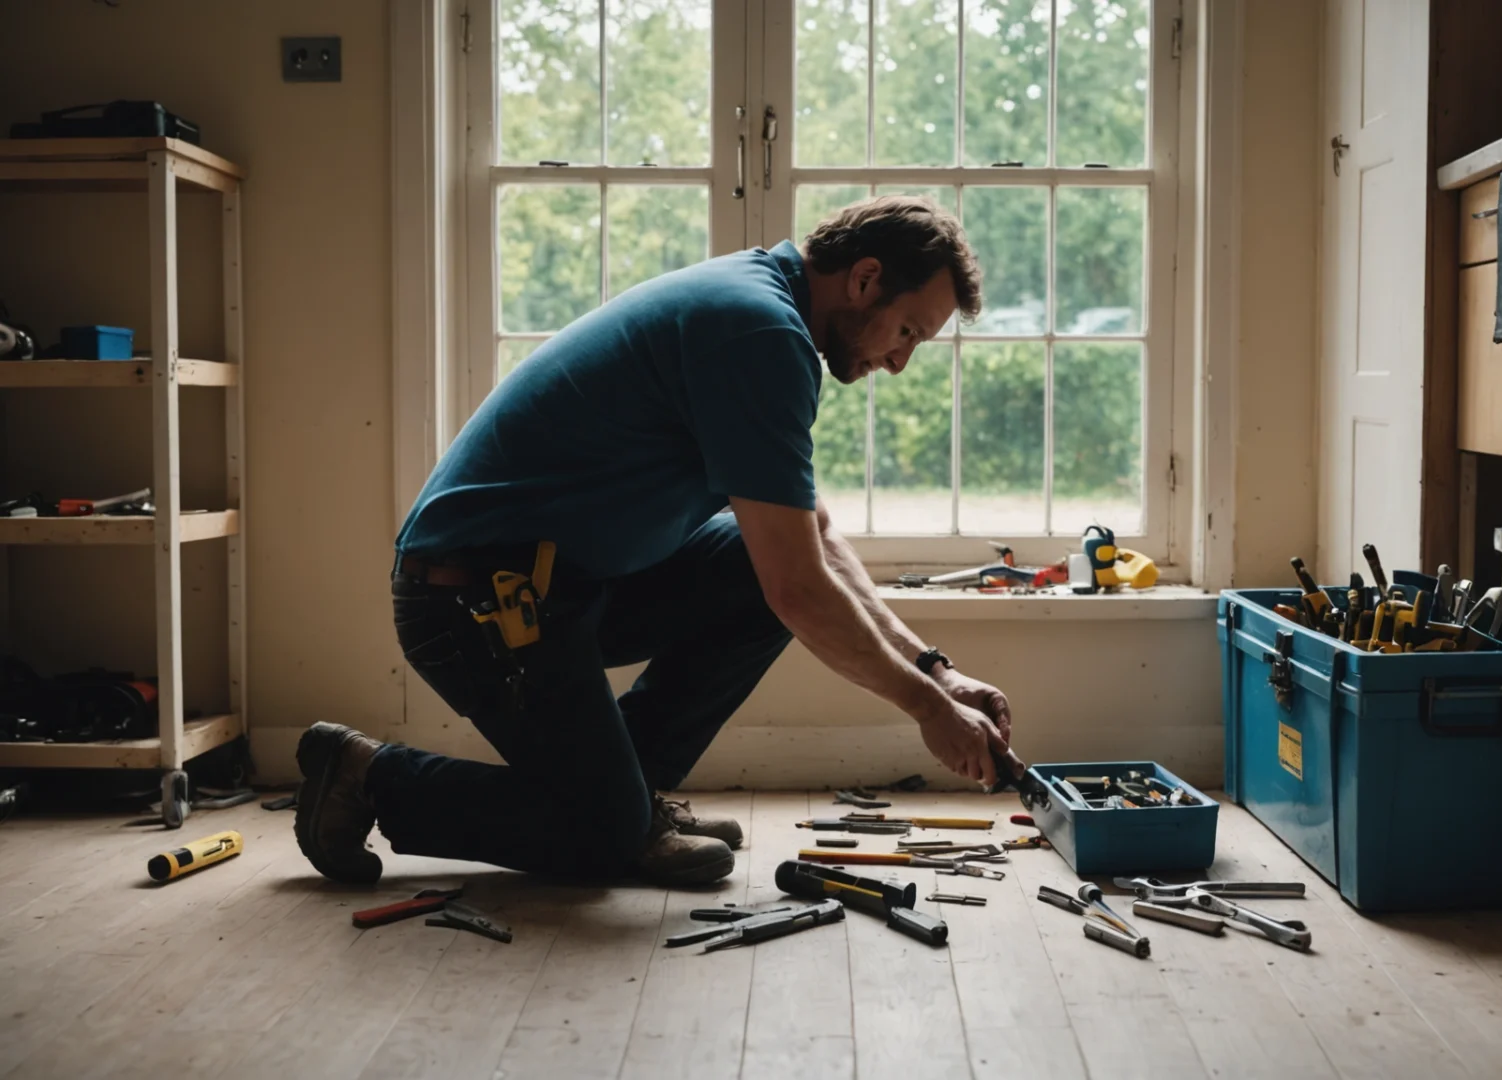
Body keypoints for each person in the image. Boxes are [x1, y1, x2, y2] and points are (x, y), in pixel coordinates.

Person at [294, 196, 1026, 886]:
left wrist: (937, 673)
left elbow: (816, 538)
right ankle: (368, 774)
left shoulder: (763, 310)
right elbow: (799, 590)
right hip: (472, 601)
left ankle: (629, 797)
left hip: (558, 584)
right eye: (907, 333)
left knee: (752, 560)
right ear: (865, 280)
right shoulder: (759, 333)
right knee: (601, 839)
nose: (900, 362)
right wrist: (928, 713)